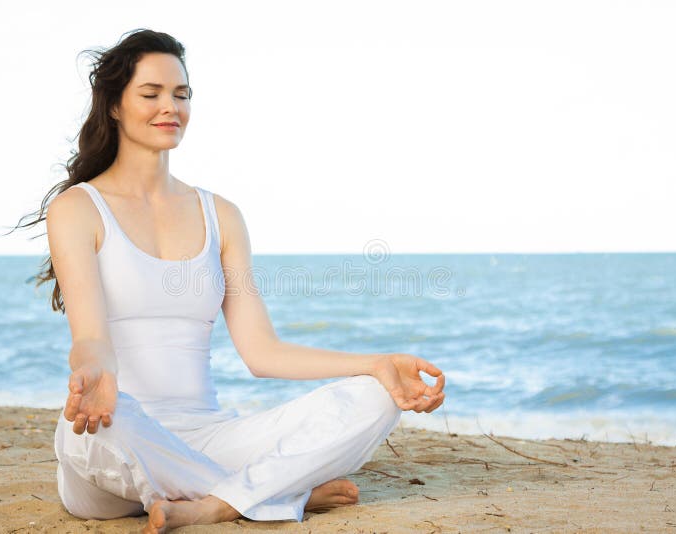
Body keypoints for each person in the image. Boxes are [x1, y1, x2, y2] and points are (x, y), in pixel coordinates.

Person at [27, 28, 445, 533]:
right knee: (94, 431)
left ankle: (217, 504)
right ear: (114, 105)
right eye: (151, 94)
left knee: (375, 398)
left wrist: (375, 364)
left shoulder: (220, 214)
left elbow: (262, 351)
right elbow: (90, 336)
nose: (170, 107)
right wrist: (95, 375)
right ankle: (275, 492)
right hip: (119, 433)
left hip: (210, 436)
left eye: (181, 95)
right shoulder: (77, 209)